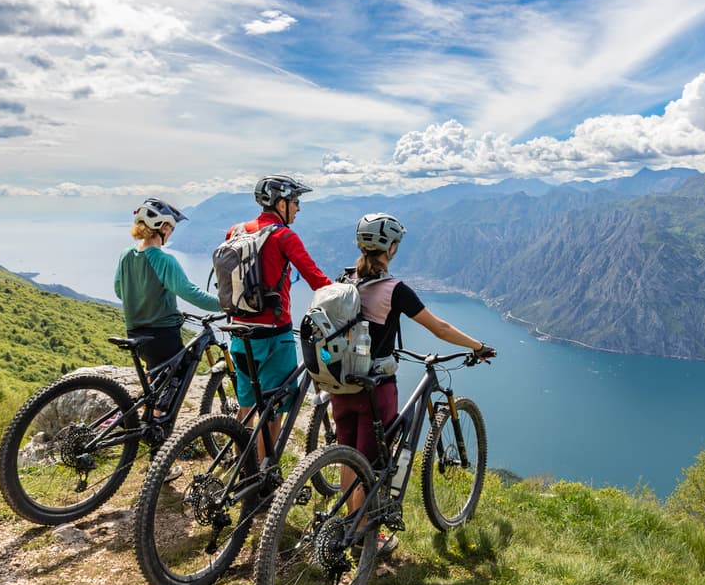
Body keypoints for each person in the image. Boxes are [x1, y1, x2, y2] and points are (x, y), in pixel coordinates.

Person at [333, 212, 496, 556]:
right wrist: (476, 346)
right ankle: (365, 535)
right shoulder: (395, 289)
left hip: (341, 384)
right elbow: (439, 328)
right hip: (375, 390)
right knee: (373, 462)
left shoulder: (345, 279)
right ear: (390, 248)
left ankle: (350, 521)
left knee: (348, 457)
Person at [226, 176, 332, 457]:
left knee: (247, 406)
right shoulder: (283, 235)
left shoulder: (235, 232)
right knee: (273, 411)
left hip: (239, 332)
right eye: (296, 202)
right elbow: (317, 280)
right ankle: (262, 477)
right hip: (274, 336)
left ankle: (242, 467)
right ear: (281, 202)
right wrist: (348, 294)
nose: (298, 208)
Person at [114, 197, 220, 433]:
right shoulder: (163, 259)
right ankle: (157, 447)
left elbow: (119, 290)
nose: (171, 233)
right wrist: (227, 304)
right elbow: (191, 293)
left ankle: (143, 427)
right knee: (174, 384)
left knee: (156, 385)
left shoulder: (126, 255)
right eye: (171, 228)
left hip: (135, 330)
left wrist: (144, 298)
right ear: (163, 227)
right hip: (162, 334)